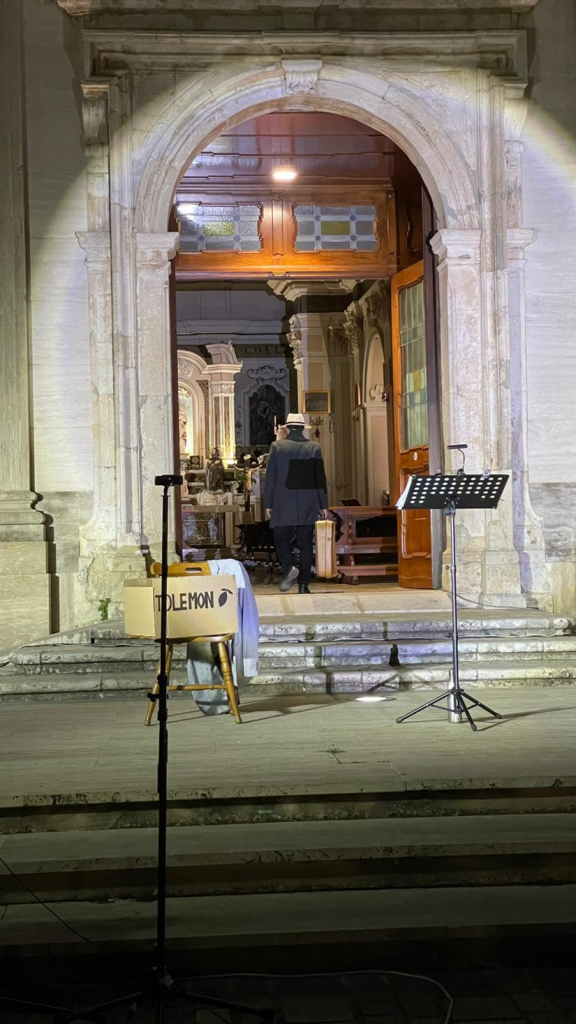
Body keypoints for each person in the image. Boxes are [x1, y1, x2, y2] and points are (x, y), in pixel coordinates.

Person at [264, 412, 328, 594]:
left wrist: (268, 503)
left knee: (281, 538)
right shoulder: (314, 447)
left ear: (286, 429)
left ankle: (289, 566)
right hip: (309, 502)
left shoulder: (277, 446)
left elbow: (271, 478)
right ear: (303, 428)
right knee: (306, 543)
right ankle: (303, 585)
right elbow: (320, 479)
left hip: (283, 501)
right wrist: (324, 505)